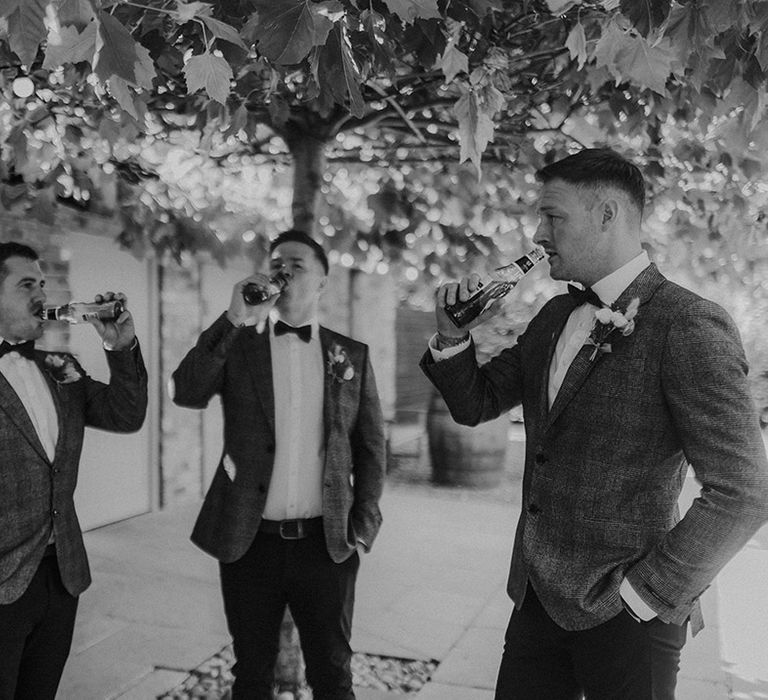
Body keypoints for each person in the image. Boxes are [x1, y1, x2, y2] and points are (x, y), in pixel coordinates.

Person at [421, 149, 768, 699]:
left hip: (630, 618)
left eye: (552, 217)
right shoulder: (555, 315)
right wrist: (451, 336)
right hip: (537, 599)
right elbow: (476, 403)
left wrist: (646, 597)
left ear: (607, 215)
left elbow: (745, 490)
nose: (538, 233)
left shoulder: (688, 324)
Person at [171, 229, 386, 700]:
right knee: (250, 674)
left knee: (332, 675)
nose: (283, 271)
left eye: (297, 265)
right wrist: (233, 318)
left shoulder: (350, 355)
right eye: (276, 263)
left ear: (323, 281)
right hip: (251, 545)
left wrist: (364, 523)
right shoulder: (238, 345)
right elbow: (185, 391)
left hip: (326, 546)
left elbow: (371, 446)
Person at [0, 241, 148, 699]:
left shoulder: (59, 366)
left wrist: (120, 346)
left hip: (61, 576)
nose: (40, 293)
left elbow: (126, 414)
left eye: (42, 284)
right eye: (27, 284)